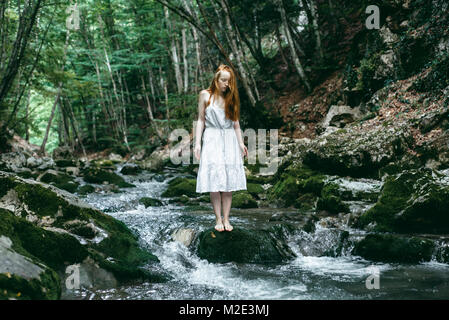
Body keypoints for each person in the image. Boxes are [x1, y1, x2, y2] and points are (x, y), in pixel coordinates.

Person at [194, 64, 248, 232]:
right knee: (214, 180)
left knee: (228, 182)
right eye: (223, 80)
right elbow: (201, 120)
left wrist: (240, 143)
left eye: (229, 81)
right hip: (211, 138)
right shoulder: (205, 95)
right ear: (216, 80)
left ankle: (227, 218)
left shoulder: (231, 98)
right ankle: (218, 218)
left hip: (229, 139)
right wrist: (197, 143)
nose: (226, 84)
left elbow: (236, 125)